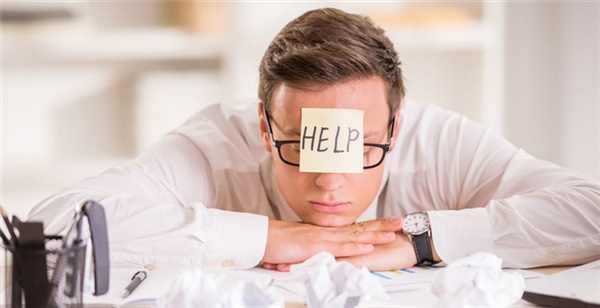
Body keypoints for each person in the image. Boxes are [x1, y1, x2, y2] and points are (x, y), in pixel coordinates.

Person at [29, 8, 599, 272]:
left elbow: (592, 213)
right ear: (261, 125)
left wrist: (424, 239)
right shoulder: (214, 144)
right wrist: (269, 239)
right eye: (301, 145)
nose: (330, 182)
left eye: (361, 148)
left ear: (394, 130)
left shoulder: (436, 139)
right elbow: (55, 223)